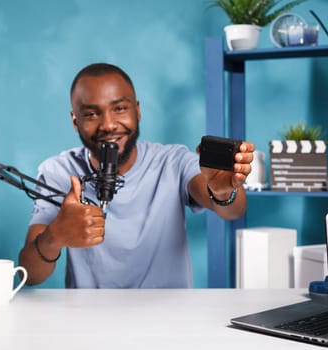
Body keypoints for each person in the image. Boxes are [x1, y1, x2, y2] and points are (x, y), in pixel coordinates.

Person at [18, 63, 254, 288]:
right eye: (91, 114)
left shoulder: (172, 161)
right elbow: (30, 275)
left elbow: (233, 210)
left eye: (119, 108)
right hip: (89, 320)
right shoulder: (58, 172)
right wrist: (55, 236)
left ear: (137, 110)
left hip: (167, 317)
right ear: (75, 121)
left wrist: (223, 192)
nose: (108, 125)